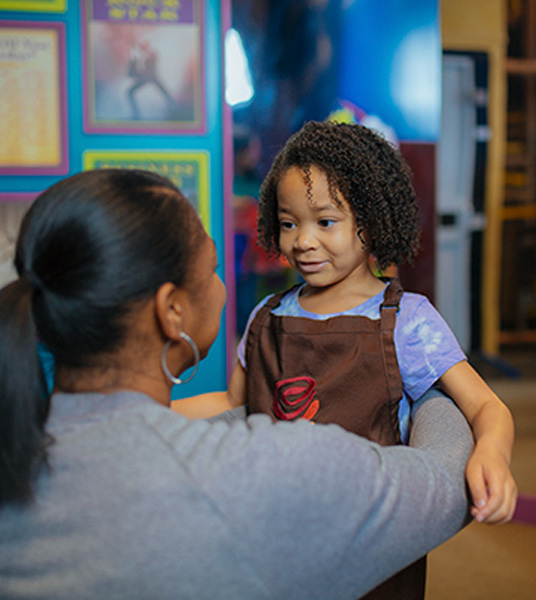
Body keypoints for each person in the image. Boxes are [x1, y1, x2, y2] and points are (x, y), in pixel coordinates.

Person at [0, 168, 473, 600]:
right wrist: (426, 386)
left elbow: (217, 414)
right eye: (213, 269)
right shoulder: (265, 473)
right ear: (173, 311)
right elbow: (442, 486)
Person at [174, 122, 517, 595]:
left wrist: (492, 456)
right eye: (289, 222)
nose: (303, 241)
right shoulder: (266, 315)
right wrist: (145, 412)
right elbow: (233, 403)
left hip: (371, 544)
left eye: (325, 222)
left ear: (371, 221)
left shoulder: (408, 320)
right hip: (273, 533)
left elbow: (484, 406)